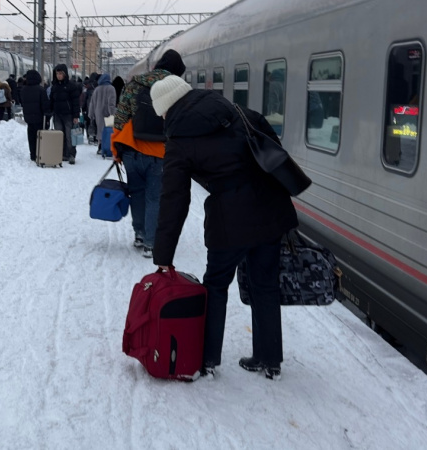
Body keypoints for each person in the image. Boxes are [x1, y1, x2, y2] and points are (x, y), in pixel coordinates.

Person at [149, 75, 298, 380]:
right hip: (270, 208)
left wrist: (163, 254)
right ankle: (270, 360)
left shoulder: (179, 139)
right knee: (265, 284)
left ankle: (208, 360)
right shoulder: (235, 110)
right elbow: (273, 149)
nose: (163, 118)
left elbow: (174, 199)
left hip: (230, 220)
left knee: (216, 286)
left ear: (167, 107)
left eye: (161, 112)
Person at [112, 49, 186, 257]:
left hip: (132, 150)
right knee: (154, 198)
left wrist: (116, 149)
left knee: (137, 193)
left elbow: (120, 119)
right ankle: (151, 243)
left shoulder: (135, 84)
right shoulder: (177, 88)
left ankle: (139, 234)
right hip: (160, 153)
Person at [48, 63, 80, 164]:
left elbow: (76, 102)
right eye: (57, 74)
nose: (59, 76)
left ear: (65, 74)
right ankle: (61, 154)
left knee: (69, 136)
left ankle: (71, 154)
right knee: (59, 135)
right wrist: (50, 111)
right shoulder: (54, 87)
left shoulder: (71, 86)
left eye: (60, 73)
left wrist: (76, 116)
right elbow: (52, 100)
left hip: (68, 115)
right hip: (57, 114)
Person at [19, 69, 50, 161]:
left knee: (31, 135)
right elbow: (45, 105)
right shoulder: (41, 90)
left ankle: (32, 154)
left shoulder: (23, 90)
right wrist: (47, 116)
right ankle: (39, 153)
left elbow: (22, 103)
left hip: (28, 117)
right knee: (39, 135)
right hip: (39, 117)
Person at [88, 73, 117, 151]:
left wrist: (91, 114)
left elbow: (92, 103)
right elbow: (111, 103)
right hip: (108, 113)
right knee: (109, 130)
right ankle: (107, 146)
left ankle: (100, 146)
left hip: (98, 113)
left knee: (100, 130)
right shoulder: (111, 88)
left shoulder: (97, 89)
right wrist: (112, 114)